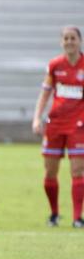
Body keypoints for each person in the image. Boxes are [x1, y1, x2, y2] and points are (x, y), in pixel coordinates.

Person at [32, 26, 84, 228]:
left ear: (79, 41)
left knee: (78, 171)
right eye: (66, 38)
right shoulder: (54, 65)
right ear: (61, 42)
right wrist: (37, 118)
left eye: (73, 38)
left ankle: (77, 217)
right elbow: (45, 93)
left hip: (78, 126)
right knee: (50, 171)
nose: (70, 41)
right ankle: (54, 214)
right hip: (55, 124)